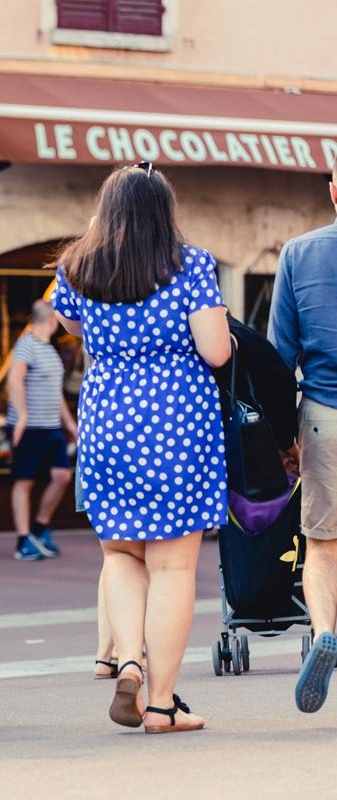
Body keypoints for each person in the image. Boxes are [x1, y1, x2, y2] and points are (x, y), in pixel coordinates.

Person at [52, 163, 229, 734]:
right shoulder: (191, 264)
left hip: (107, 421)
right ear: (165, 212)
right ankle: (161, 704)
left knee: (122, 556)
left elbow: (69, 325)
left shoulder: (78, 265)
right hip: (176, 423)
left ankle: (128, 658)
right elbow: (217, 352)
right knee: (174, 566)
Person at [269, 168, 337, 713]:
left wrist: (283, 438)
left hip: (323, 414)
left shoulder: (299, 253)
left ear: (334, 191)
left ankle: (322, 634)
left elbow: (278, 356)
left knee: (321, 543)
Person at [6, 299, 78, 561]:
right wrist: (22, 415)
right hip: (30, 427)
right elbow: (14, 378)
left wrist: (70, 424)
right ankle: (23, 540)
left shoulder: (49, 349)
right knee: (24, 481)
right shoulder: (26, 345)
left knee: (62, 476)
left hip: (51, 426)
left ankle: (39, 526)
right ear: (51, 319)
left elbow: (54, 392)